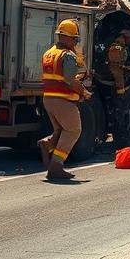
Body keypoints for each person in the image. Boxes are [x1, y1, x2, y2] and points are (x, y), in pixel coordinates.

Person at [38, 19, 90, 181]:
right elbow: (70, 80)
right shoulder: (67, 55)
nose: (75, 42)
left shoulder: (49, 53)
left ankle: (48, 143)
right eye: (75, 38)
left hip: (49, 99)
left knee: (61, 131)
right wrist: (84, 92)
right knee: (73, 130)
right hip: (63, 100)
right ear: (66, 37)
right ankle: (56, 166)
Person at [107, 30, 130, 95]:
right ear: (126, 38)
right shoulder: (117, 48)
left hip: (118, 67)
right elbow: (115, 64)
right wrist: (125, 67)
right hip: (115, 69)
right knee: (119, 74)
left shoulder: (123, 47)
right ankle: (120, 92)